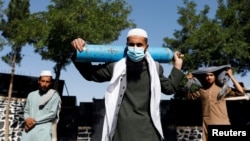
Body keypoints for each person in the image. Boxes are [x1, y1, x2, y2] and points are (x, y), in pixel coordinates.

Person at [71, 28, 184, 141]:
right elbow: (90, 74)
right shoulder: (116, 67)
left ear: (146, 47)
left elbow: (169, 88)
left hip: (148, 131)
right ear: (127, 45)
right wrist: (79, 49)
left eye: (139, 45)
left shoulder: (155, 69)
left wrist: (177, 66)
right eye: (131, 44)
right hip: (121, 131)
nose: (135, 48)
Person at [184, 66, 245, 141]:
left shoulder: (223, 89)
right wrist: (189, 81)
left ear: (215, 77)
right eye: (207, 75)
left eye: (211, 75)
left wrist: (231, 76)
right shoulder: (202, 91)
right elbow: (188, 97)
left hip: (222, 122)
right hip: (206, 123)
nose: (209, 77)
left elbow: (241, 92)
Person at [21, 70, 61, 141]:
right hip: (29, 129)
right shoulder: (31, 95)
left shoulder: (54, 96)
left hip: (44, 132)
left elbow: (52, 114)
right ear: (38, 81)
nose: (44, 84)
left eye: (47, 82)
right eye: (43, 81)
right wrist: (27, 119)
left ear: (50, 83)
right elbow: (26, 111)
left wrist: (34, 121)